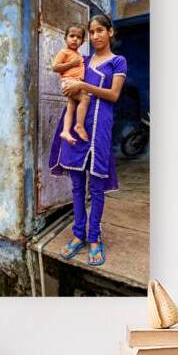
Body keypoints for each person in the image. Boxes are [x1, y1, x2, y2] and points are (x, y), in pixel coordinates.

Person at [48, 14, 127, 266]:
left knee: (97, 186)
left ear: (110, 32)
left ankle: (94, 237)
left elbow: (113, 95)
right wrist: (70, 85)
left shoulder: (117, 62)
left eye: (100, 30)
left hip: (100, 125)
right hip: (77, 126)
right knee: (77, 186)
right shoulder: (82, 60)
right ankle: (78, 233)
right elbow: (67, 81)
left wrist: (84, 86)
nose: (95, 36)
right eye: (91, 32)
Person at [52, 24, 91, 145]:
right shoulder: (64, 52)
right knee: (85, 98)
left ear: (82, 42)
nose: (75, 39)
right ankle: (79, 125)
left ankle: (65, 131)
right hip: (69, 82)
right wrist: (71, 64)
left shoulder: (79, 55)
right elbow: (55, 67)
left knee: (71, 107)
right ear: (65, 38)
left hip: (75, 82)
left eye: (78, 37)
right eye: (71, 36)